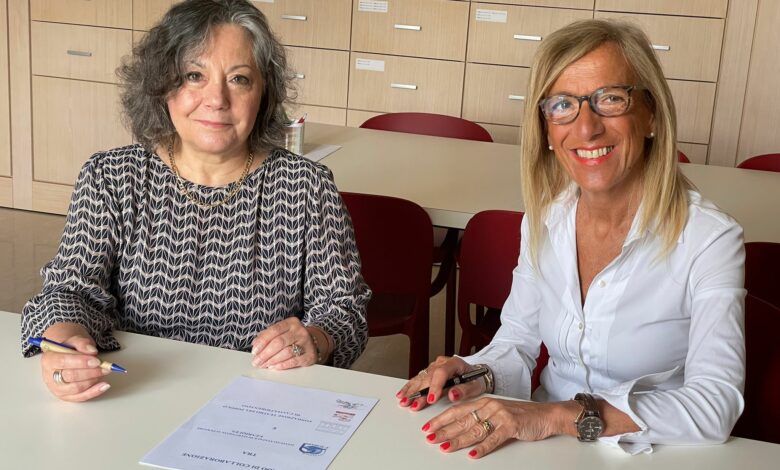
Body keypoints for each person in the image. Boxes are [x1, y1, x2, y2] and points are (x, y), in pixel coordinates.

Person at [397, 19, 745, 457]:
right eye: (563, 105)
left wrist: (558, 416)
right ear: (546, 129)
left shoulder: (710, 239)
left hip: (655, 452)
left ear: (651, 114)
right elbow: (517, 341)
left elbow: (715, 404)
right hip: (547, 446)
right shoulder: (545, 219)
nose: (586, 128)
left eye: (611, 99)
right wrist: (476, 374)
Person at [21, 0, 370, 402]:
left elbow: (345, 312)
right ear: (161, 85)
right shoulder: (111, 177)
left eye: (239, 79)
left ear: (263, 93)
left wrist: (316, 339)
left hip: (257, 405)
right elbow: (69, 291)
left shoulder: (306, 185)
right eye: (194, 76)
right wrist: (65, 343)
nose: (217, 99)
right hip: (134, 394)